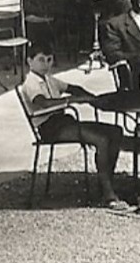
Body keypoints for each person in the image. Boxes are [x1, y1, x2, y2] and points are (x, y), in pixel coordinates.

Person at [20, 39, 134, 212]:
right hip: (50, 128)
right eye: (41, 60)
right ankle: (109, 194)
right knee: (101, 139)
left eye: (49, 60)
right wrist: (71, 100)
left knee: (115, 131)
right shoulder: (30, 82)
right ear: (29, 61)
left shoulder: (49, 79)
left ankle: (105, 182)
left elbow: (73, 88)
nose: (46, 65)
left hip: (64, 122)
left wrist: (92, 98)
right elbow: (42, 103)